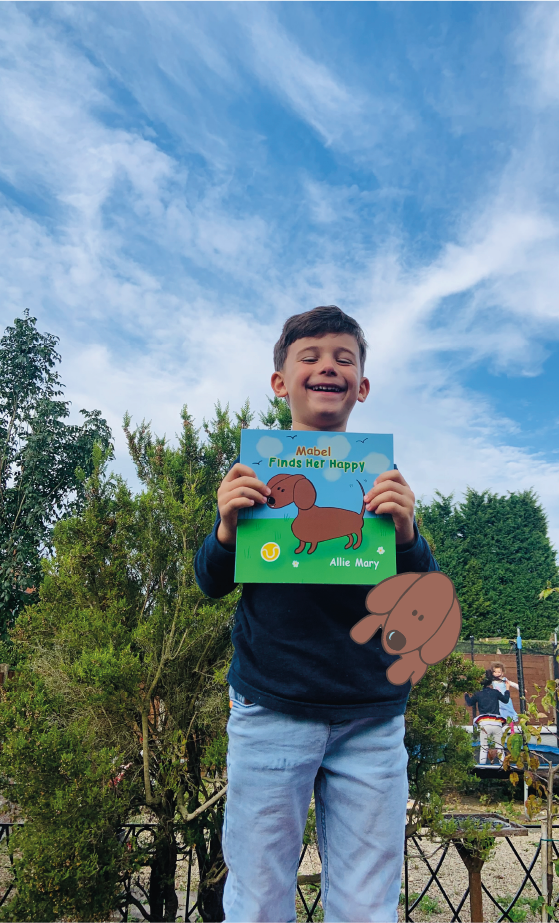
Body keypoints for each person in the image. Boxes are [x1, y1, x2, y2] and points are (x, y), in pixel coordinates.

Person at [194, 305, 440, 923]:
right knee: (256, 897)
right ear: (280, 381)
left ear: (361, 386)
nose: (327, 366)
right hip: (269, 708)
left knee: (366, 904)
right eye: (310, 356)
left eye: (343, 359)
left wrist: (407, 531)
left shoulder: (385, 487)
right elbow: (210, 581)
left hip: (371, 719)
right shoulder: (253, 478)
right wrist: (225, 528)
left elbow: (424, 591)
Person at [464, 670, 511, 765]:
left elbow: (469, 702)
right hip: (497, 723)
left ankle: (482, 765)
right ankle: (503, 765)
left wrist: (466, 694)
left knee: (484, 747)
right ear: (490, 682)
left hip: (484, 723)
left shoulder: (478, 693)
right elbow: (506, 700)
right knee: (499, 746)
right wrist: (507, 689)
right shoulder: (495, 692)